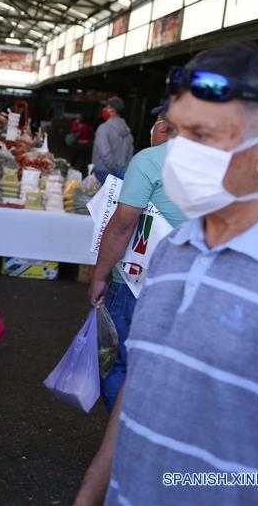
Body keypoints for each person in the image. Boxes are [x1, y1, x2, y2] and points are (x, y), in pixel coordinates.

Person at [75, 43, 258, 505]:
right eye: (177, 131)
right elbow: (143, 382)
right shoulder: (173, 249)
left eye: (203, 136)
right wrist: (93, 489)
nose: (179, 153)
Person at [86, 101, 185, 412]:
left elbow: (122, 225)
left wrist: (100, 275)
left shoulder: (150, 160)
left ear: (165, 127)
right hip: (193, 286)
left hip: (137, 283)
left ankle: (129, 443)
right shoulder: (226, 164)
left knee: (117, 365)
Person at [92, 96, 133, 183]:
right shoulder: (127, 131)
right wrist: (121, 170)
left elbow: (105, 154)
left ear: (112, 109)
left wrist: (115, 168)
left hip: (102, 174)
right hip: (119, 176)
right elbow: (129, 155)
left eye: (107, 107)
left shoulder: (103, 128)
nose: (105, 109)